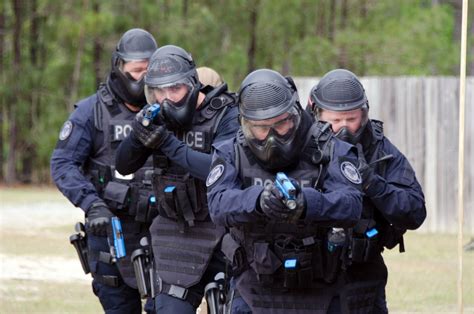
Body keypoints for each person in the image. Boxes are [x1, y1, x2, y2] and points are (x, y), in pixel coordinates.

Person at [206, 68, 365, 313]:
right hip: (253, 288)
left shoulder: (328, 146)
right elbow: (218, 205)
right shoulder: (231, 151)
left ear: (293, 116)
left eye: (280, 124)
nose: (271, 137)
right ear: (246, 124)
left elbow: (352, 204)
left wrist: (308, 204)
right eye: (261, 127)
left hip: (320, 288)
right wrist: (258, 200)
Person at [115, 44, 240, 313]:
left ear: (192, 84)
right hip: (176, 236)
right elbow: (123, 165)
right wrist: (139, 135)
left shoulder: (226, 114)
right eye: (159, 91)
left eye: (175, 89)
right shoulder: (158, 115)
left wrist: (168, 144)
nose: (167, 97)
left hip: (223, 235)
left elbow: (218, 171)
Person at [50, 28, 158, 314]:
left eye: (150, 71)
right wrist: (92, 204)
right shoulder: (91, 112)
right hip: (111, 232)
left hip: (162, 231)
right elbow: (62, 164)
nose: (143, 79)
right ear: (119, 67)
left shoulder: (170, 108)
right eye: (137, 71)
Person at [308, 69, 426, 313]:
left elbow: (415, 211)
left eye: (350, 119)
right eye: (334, 120)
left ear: (364, 114)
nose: (343, 128)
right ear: (316, 114)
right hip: (308, 282)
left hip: (362, 278)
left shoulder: (380, 149)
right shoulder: (298, 145)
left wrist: (372, 182)